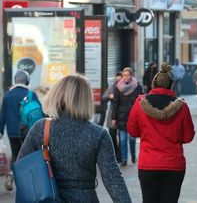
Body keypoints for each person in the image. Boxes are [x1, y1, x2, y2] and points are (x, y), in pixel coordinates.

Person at [17, 74, 131, 202]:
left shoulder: (41, 128)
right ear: (86, 100)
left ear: (57, 96)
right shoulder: (98, 134)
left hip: (49, 197)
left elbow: (21, 167)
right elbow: (113, 179)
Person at [127, 63, 195, 203]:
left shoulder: (140, 104)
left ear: (153, 84)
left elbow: (132, 131)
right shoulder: (182, 107)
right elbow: (188, 137)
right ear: (171, 85)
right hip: (173, 164)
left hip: (148, 163)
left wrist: (147, 132)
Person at [0, 70, 41, 191]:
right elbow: (38, 112)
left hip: (12, 133)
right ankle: (27, 183)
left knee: (15, 155)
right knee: (28, 156)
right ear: (27, 81)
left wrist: (1, 132)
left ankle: (11, 178)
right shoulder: (30, 94)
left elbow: (2, 115)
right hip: (28, 132)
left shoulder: (7, 96)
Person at [112, 67, 142, 166]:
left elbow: (141, 101)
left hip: (133, 117)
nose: (126, 77)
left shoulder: (136, 86)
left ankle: (133, 155)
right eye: (124, 75)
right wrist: (113, 118)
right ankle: (124, 159)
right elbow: (115, 103)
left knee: (132, 139)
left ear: (131, 75)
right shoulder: (118, 87)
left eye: (127, 75)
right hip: (121, 117)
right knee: (123, 140)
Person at [102, 71, 123, 163]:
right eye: (117, 78)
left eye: (120, 78)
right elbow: (104, 96)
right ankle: (116, 154)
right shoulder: (112, 86)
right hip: (112, 115)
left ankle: (121, 156)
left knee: (122, 138)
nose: (118, 80)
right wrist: (110, 96)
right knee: (112, 135)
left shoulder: (126, 88)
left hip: (122, 115)